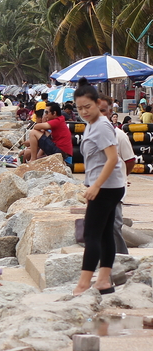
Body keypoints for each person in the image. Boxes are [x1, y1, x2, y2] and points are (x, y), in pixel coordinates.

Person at [72, 79, 127, 296]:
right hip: (107, 186)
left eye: (88, 106)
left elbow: (112, 159)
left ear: (97, 103)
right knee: (104, 234)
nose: (84, 112)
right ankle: (103, 281)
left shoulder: (102, 126)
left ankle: (83, 284)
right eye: (79, 108)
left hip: (106, 188)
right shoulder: (91, 125)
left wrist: (95, 186)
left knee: (91, 234)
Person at [99, 94, 136, 256]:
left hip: (114, 189)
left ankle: (121, 258)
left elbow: (130, 160)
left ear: (110, 112)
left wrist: (122, 176)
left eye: (103, 110)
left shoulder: (119, 135)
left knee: (114, 225)